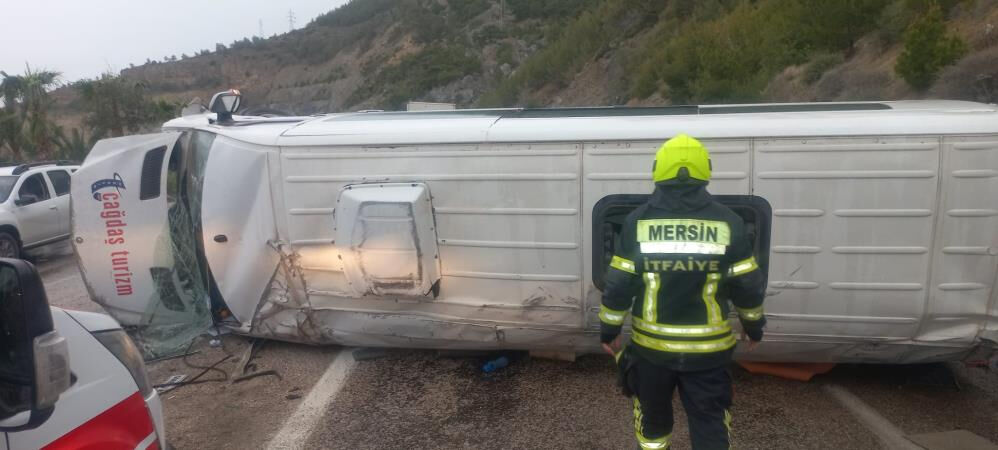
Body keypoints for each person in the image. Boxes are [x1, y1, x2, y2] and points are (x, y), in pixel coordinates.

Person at [599, 134, 767, 450]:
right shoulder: (728, 222)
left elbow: (620, 284)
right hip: (709, 354)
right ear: (706, 171)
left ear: (657, 170)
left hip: (651, 353)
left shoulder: (637, 222)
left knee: (653, 426)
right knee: (709, 424)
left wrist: (608, 330)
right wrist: (754, 326)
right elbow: (748, 285)